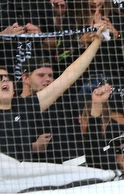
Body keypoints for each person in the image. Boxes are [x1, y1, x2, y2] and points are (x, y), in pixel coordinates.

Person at [0, 20, 111, 160]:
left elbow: (67, 77)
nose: (4, 80)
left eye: (6, 77)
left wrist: (96, 42)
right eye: (0, 78)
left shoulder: (24, 107)